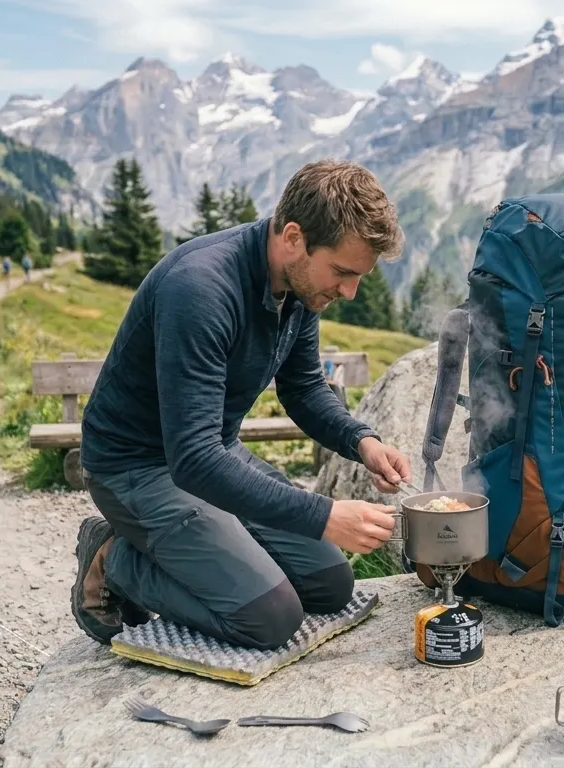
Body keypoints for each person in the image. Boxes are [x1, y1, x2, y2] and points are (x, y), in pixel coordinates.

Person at [71, 159, 412, 651]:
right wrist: (323, 515)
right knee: (270, 619)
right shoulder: (200, 289)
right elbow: (193, 459)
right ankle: (113, 558)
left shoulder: (297, 288)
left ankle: (207, 554)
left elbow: (304, 389)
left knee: (329, 586)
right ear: (294, 236)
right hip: (137, 469)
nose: (349, 291)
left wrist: (361, 440)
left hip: (211, 455)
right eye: (341, 272)